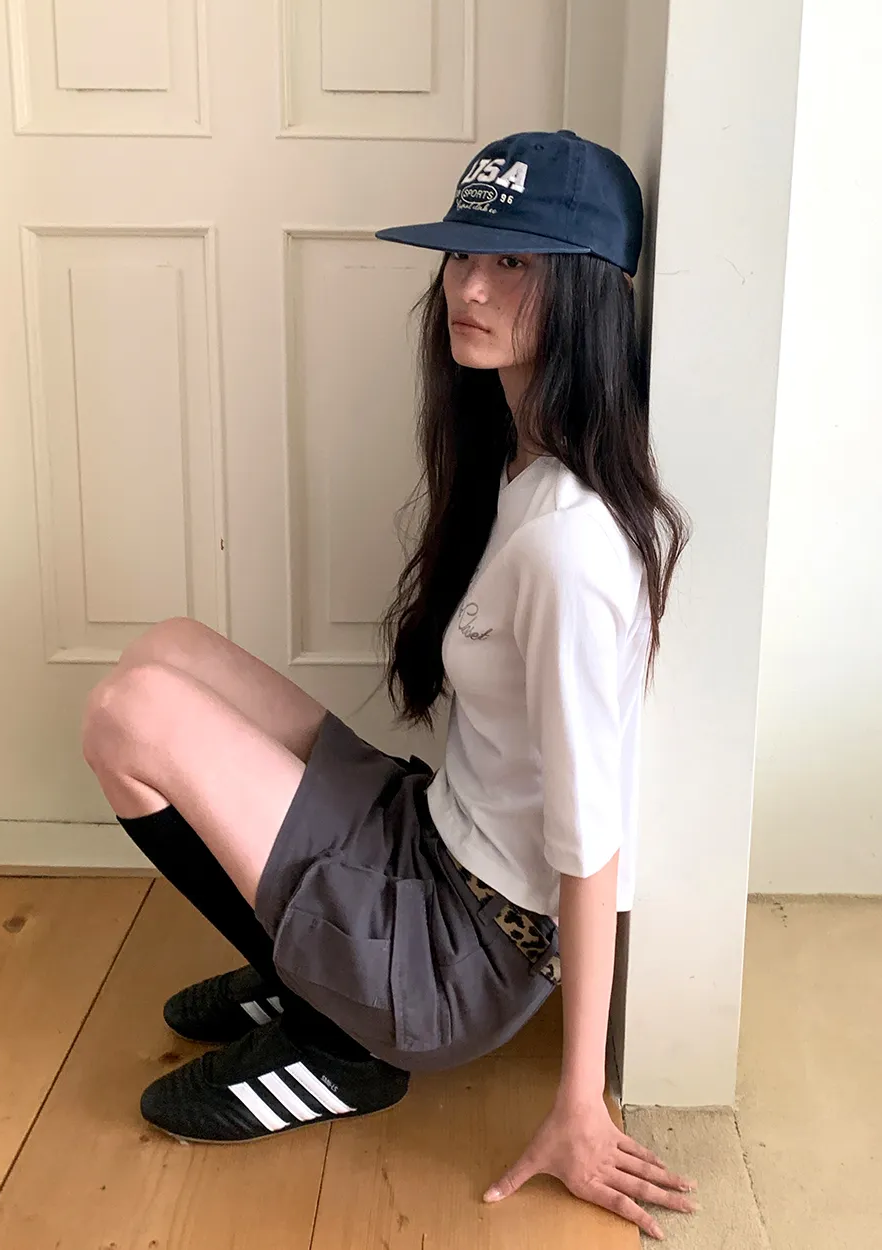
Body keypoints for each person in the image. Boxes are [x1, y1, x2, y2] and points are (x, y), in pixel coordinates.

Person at [81, 128, 695, 1241]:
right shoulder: (525, 456)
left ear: (590, 292)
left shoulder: (569, 546)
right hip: (432, 838)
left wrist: (579, 1101)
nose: (468, 285)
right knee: (168, 651)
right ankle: (312, 978)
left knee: (132, 717)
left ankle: (346, 1041)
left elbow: (594, 833)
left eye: (513, 262)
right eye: (463, 255)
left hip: (458, 960)